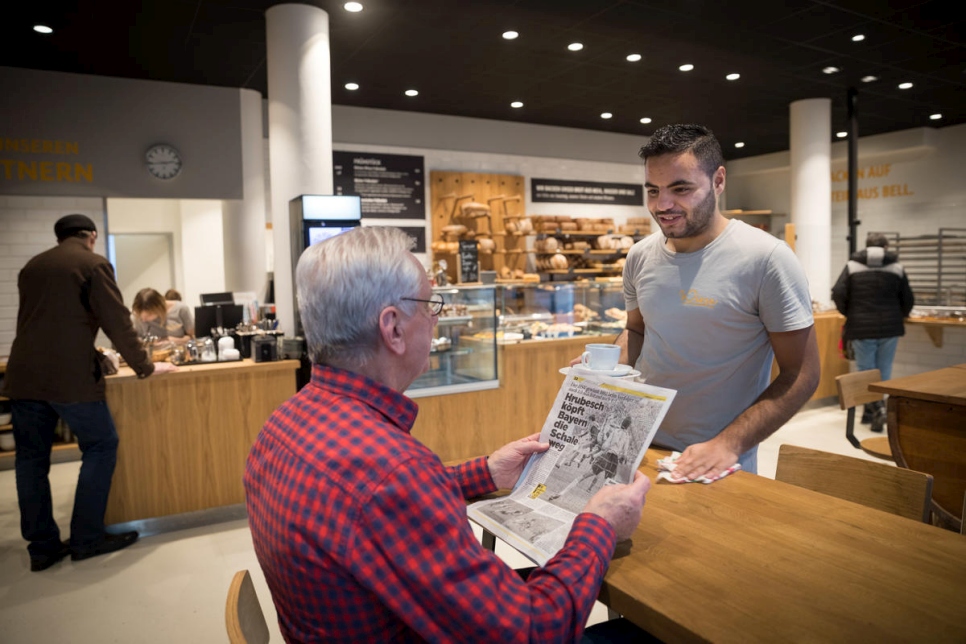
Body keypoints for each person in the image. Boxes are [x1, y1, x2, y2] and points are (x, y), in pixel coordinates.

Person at [244, 226, 653, 642]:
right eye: (429, 305)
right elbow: (533, 631)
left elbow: (374, 508)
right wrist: (599, 525)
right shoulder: (394, 471)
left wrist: (487, 472)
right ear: (393, 329)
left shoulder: (280, 427)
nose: (436, 318)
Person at [619, 124, 820, 481]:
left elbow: (801, 373)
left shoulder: (766, 258)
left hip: (715, 461)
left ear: (719, 180)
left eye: (681, 189)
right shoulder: (639, 257)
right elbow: (636, 330)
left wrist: (729, 443)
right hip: (637, 446)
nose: (662, 205)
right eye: (653, 191)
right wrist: (606, 371)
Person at [2, 214, 178, 572]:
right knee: (101, 445)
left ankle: (42, 548)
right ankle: (87, 538)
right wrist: (144, 366)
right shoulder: (93, 264)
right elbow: (117, 322)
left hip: (23, 375)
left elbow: (44, 323)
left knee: (30, 461)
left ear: (60, 237)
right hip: (69, 378)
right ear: (92, 237)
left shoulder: (32, 267)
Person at [831, 232, 914, 431]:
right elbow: (908, 298)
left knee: (865, 370)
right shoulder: (897, 267)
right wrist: (900, 314)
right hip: (890, 327)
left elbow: (838, 293)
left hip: (861, 326)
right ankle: (878, 410)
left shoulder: (852, 266)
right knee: (884, 370)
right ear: (885, 247)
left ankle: (873, 411)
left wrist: (850, 312)